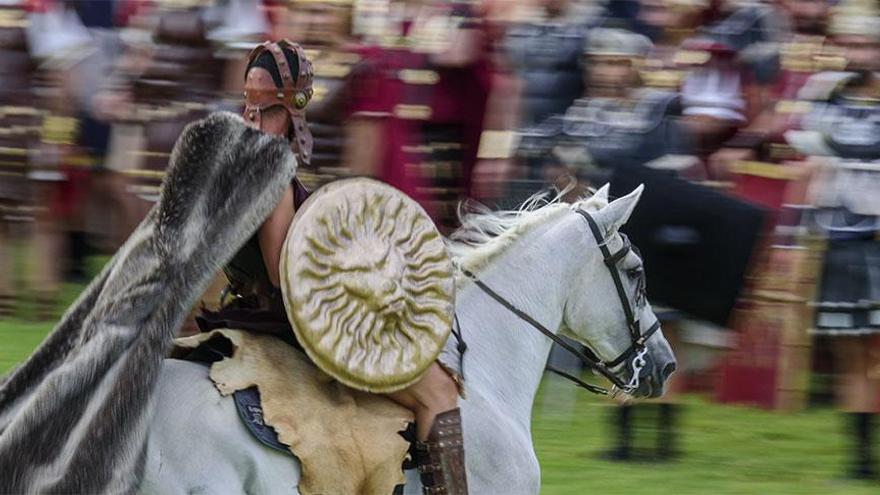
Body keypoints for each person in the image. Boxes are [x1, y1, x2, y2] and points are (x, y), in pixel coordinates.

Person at [196, 39, 467, 494]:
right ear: (298, 103)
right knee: (438, 391)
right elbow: (286, 274)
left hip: (249, 307)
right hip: (297, 324)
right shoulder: (272, 169)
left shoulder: (235, 156)